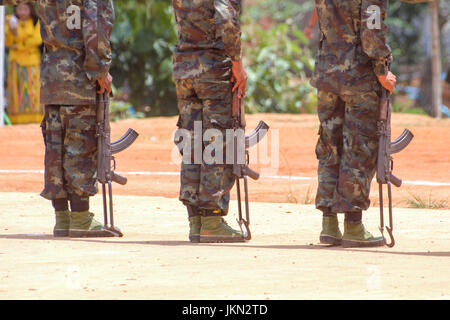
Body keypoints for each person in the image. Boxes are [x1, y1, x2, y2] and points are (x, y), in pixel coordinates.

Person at [1, 0, 115, 237]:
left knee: (56, 148)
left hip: (51, 76)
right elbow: (96, 29)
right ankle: (81, 217)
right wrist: (101, 70)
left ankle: (62, 217)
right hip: (79, 77)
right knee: (80, 146)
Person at [310, 0, 397, 247]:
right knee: (359, 148)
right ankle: (353, 225)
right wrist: (382, 70)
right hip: (359, 77)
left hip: (327, 74)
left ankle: (329, 224)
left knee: (329, 145)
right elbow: (372, 29)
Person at [172, 0, 248, 243]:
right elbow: (225, 16)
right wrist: (237, 62)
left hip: (184, 68)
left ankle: (196, 220)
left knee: (192, 140)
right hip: (213, 68)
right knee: (218, 141)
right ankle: (212, 220)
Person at [5, 3, 42, 124]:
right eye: (19, 9)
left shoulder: (36, 22)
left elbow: (37, 39)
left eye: (25, 9)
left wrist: (19, 44)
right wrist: (13, 32)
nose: (22, 12)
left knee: (33, 90)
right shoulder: (10, 21)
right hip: (16, 62)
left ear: (31, 10)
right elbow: (7, 41)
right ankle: (16, 119)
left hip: (32, 61)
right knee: (16, 91)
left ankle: (35, 118)